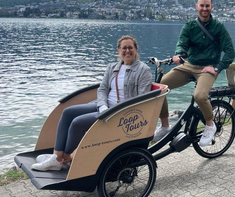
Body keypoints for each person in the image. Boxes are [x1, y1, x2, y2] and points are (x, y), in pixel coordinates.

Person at [32, 35, 152, 171]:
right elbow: (102, 89)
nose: (127, 51)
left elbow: (141, 100)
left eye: (130, 47)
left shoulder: (144, 70)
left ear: (136, 49)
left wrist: (112, 111)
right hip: (103, 106)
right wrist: (103, 106)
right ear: (119, 51)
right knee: (68, 112)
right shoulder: (113, 67)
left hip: (119, 113)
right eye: (124, 48)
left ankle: (63, 159)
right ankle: (56, 157)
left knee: (77, 122)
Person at [154, 0, 235, 146]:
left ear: (211, 7)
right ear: (196, 7)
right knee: (160, 88)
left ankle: (210, 125)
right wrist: (179, 54)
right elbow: (182, 43)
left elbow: (230, 52)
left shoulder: (218, 27)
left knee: (200, 96)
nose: (204, 8)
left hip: (208, 68)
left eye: (207, 6)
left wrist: (217, 68)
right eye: (201, 5)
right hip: (189, 65)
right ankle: (165, 126)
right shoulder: (189, 26)